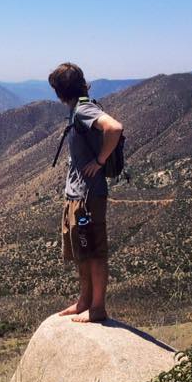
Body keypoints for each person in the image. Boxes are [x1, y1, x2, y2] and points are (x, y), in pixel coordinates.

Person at [48, 62, 123, 323]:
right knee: (82, 250)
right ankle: (84, 301)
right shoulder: (79, 109)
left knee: (94, 251)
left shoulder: (84, 110)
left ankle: (97, 308)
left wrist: (100, 161)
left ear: (60, 91)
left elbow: (114, 127)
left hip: (88, 198)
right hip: (77, 196)